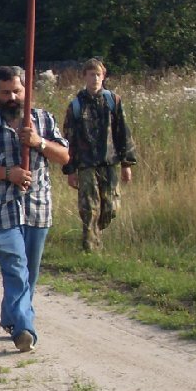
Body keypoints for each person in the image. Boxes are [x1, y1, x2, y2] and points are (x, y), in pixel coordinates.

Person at [0, 65, 69, 353]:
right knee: (16, 265)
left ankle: (11, 317)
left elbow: (65, 156)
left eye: (17, 91)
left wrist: (38, 142)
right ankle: (24, 328)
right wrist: (8, 173)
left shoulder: (43, 119)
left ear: (26, 90)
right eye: (5, 92)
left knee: (29, 271)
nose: (12, 97)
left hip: (37, 207)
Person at [62, 58, 137, 252]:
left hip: (109, 161)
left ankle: (96, 232)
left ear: (103, 76)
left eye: (98, 75)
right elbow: (69, 139)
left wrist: (126, 164)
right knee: (89, 209)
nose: (95, 78)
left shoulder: (113, 101)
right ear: (84, 77)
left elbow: (123, 132)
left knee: (111, 208)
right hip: (85, 164)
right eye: (91, 75)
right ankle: (90, 250)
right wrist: (70, 170)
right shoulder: (76, 105)